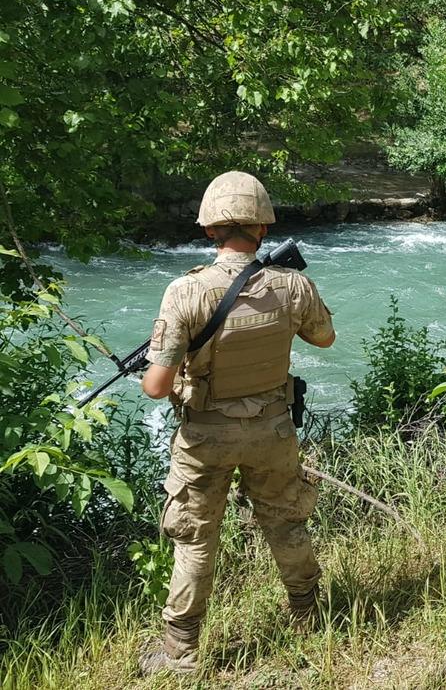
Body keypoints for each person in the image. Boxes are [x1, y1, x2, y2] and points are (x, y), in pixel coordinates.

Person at [138, 171, 336, 676]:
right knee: (285, 521)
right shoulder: (293, 284)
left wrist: (178, 367)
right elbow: (324, 339)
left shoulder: (185, 291)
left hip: (205, 436)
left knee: (195, 538)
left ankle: (181, 652)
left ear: (209, 231)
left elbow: (156, 387)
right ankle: (308, 619)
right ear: (263, 229)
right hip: (272, 429)